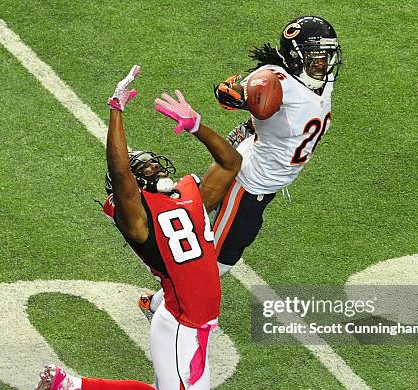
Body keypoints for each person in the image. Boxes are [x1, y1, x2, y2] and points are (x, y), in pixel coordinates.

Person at [23, 65, 242, 390]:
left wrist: (197, 126)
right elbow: (120, 173)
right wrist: (116, 112)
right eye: (141, 167)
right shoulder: (137, 219)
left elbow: (230, 164)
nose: (151, 166)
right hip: (181, 327)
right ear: (133, 187)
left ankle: (69, 384)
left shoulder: (189, 193)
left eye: (152, 162)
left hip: (191, 323)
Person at [139, 15, 343, 319]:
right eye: (316, 55)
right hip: (249, 182)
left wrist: (244, 130)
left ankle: (160, 288)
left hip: (265, 178)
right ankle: (163, 303)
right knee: (214, 256)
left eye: (327, 55)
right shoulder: (276, 81)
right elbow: (237, 92)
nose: (323, 62)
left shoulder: (317, 82)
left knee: (217, 245)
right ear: (297, 56)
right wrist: (233, 93)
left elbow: (274, 121)